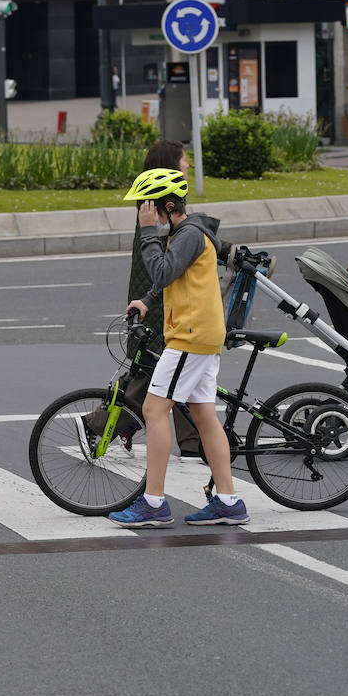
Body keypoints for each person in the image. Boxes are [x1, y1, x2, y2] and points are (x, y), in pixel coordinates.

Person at [109, 168, 248, 528]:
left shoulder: (187, 234)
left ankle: (154, 503)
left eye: (148, 206)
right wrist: (147, 300)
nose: (145, 213)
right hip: (199, 334)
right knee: (202, 415)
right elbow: (173, 278)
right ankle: (228, 501)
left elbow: (163, 271)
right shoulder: (188, 234)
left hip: (190, 335)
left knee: (154, 409)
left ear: (167, 205)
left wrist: (147, 234)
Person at [115, 139, 203, 457]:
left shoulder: (159, 206)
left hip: (160, 298)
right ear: (170, 165)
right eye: (184, 160)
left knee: (172, 372)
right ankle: (104, 423)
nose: (188, 165)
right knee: (157, 371)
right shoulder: (156, 211)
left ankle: (194, 440)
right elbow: (166, 267)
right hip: (159, 301)